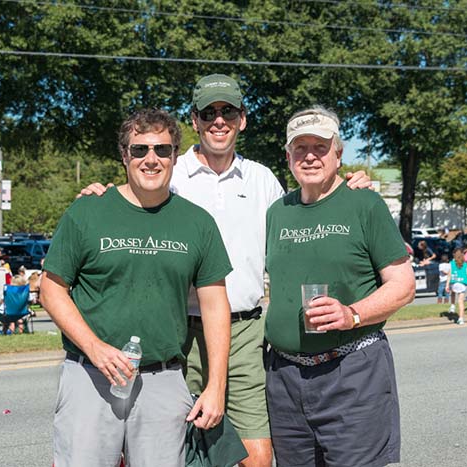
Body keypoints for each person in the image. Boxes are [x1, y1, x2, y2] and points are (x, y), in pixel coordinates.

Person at [78, 74, 371, 467]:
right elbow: (127, 203)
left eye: (228, 111)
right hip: (178, 331)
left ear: (242, 119)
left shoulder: (262, 179)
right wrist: (99, 194)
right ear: (194, 120)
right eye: (209, 112)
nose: (219, 120)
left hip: (245, 332)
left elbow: (305, 214)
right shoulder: (168, 167)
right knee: (168, 450)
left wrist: (347, 186)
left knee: (257, 458)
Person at [42, 109, 233, 466]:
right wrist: (96, 348)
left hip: (163, 380)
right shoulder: (86, 213)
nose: (151, 159)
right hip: (90, 376)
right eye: (140, 149)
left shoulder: (197, 222)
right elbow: (51, 290)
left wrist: (215, 387)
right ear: (124, 155)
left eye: (162, 150)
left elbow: (215, 307)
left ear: (175, 156)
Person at [264, 106, 415, 466]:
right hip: (284, 379)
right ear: (287, 156)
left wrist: (352, 313)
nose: (310, 156)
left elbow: (403, 285)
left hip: (352, 374)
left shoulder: (364, 203)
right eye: (300, 148)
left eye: (320, 146)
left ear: (338, 152)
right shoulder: (277, 212)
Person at [447, 248, 467, 325]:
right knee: (461, 302)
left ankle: (453, 305)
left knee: (453, 292)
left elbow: (449, 274)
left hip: (454, 282)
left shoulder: (452, 263)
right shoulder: (465, 264)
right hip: (463, 283)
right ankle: (461, 318)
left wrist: (447, 284)